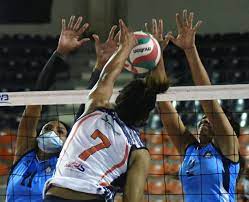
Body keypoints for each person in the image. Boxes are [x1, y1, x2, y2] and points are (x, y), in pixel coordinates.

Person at [44, 19, 169, 202]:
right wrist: (156, 57)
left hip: (55, 194)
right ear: (146, 116)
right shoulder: (138, 151)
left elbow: (106, 77)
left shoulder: (95, 107)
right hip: (93, 196)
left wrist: (124, 48)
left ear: (118, 99)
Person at [5, 16, 95, 202]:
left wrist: (100, 68)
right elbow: (34, 104)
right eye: (48, 128)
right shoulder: (24, 155)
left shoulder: (65, 163)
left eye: (60, 130)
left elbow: (83, 115)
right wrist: (59, 53)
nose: (53, 130)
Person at [158, 10, 240, 201]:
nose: (205, 119)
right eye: (203, 119)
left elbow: (209, 101)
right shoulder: (190, 151)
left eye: (211, 120)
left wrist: (190, 50)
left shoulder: (228, 147)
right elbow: (164, 106)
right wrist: (156, 57)